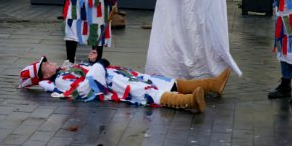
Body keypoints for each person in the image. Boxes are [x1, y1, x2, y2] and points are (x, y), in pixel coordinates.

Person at [18, 50, 233, 113]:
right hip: (117, 87)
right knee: (146, 91)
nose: (48, 61)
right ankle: (190, 101)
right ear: (44, 76)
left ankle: (211, 85)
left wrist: (93, 61)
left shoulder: (64, 71)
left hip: (119, 76)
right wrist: (99, 64)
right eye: (44, 64)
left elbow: (88, 71)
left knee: (156, 80)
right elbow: (86, 87)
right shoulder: (60, 82)